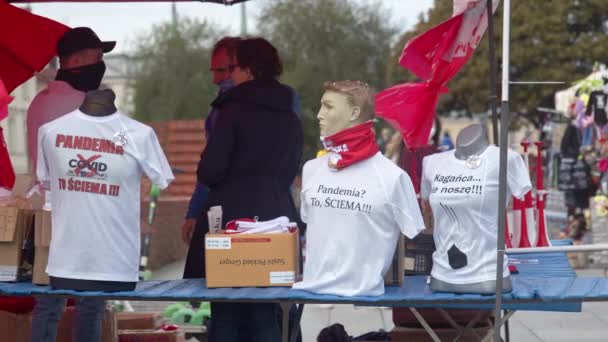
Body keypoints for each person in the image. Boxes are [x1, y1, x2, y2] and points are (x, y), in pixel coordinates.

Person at [183, 37, 303, 342]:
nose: (229, 76)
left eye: (233, 68)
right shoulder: (290, 117)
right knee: (265, 313)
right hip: (276, 221)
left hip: (232, 223)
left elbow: (210, 171)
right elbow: (291, 169)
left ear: (248, 70)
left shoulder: (232, 111)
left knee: (226, 313)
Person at [27, 27, 115, 342]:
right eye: (97, 57)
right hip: (88, 214)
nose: (102, 63)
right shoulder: (88, 103)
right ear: (76, 60)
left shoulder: (39, 102)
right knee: (91, 304)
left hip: (48, 215)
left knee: (48, 305)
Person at [181, 36, 241, 245]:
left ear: (243, 69)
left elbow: (212, 165)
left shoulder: (225, 108)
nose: (215, 79)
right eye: (214, 71)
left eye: (222, 71)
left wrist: (195, 211)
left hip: (225, 210)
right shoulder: (284, 103)